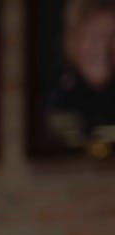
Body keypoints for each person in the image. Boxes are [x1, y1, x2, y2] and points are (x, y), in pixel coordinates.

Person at [45, 0, 115, 146]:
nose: (103, 49)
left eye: (112, 37)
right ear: (73, 42)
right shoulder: (58, 105)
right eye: (94, 38)